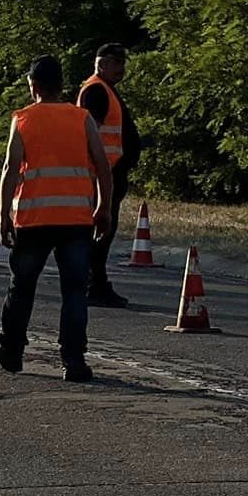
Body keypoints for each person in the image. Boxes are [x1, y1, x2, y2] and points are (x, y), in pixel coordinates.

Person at [0, 55, 113, 383]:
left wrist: (3, 216)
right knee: (74, 291)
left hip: (34, 219)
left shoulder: (23, 119)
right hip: (75, 220)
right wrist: (104, 208)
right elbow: (102, 165)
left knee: (22, 286)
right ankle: (74, 360)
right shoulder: (81, 118)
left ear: (33, 86)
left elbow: (10, 170)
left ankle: (11, 350)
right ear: (61, 85)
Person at [78, 43, 140, 308]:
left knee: (103, 232)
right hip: (101, 176)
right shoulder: (95, 91)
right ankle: (94, 285)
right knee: (101, 232)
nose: (122, 69)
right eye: (117, 63)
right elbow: (90, 135)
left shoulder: (105, 90)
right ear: (102, 64)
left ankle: (95, 283)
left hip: (109, 173)